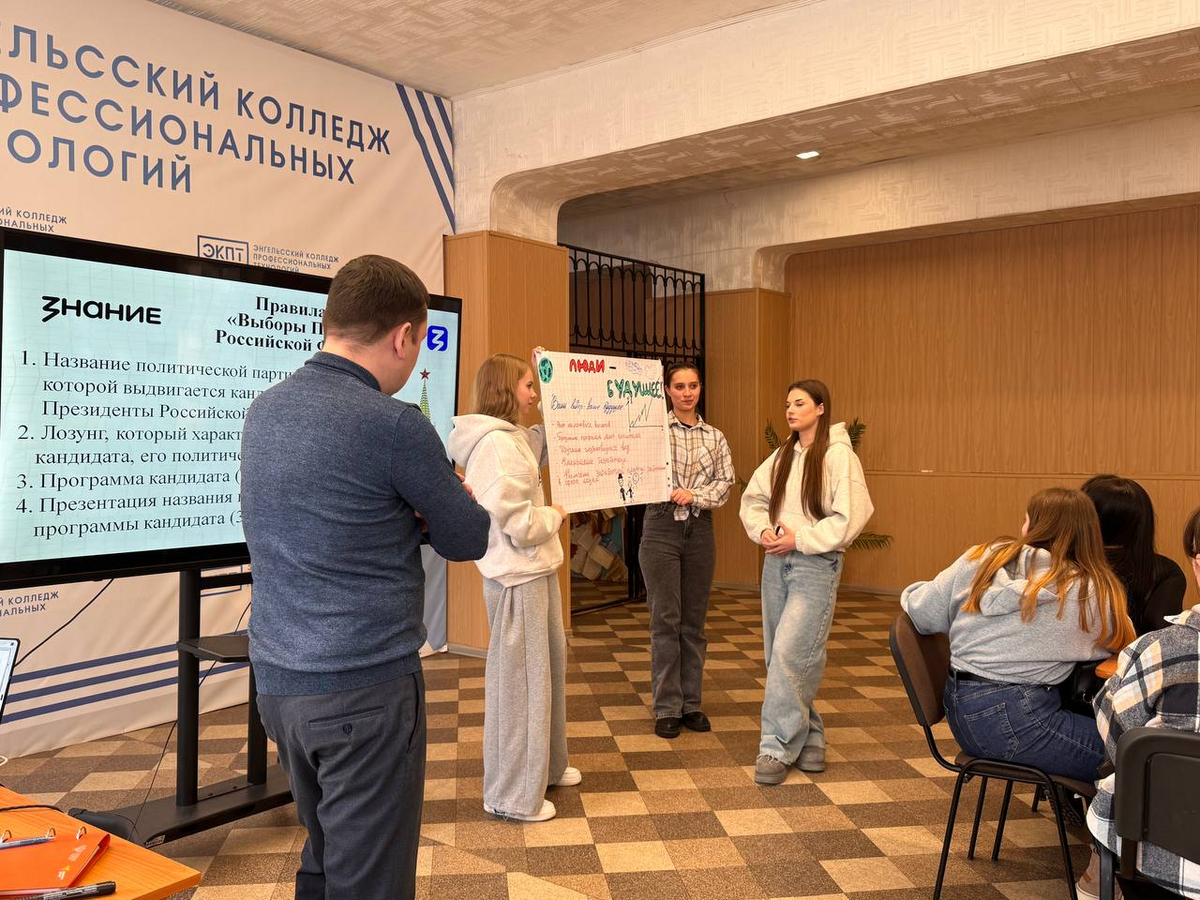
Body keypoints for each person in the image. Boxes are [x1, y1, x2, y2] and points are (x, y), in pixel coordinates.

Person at [240, 255, 490, 900]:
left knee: (325, 855)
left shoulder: (264, 410)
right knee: (370, 879)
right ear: (403, 336)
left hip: (280, 683)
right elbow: (468, 536)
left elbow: (328, 520)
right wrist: (428, 511)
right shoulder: (394, 424)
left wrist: (401, 514)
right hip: (364, 688)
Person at [901, 487, 1136, 783]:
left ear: (1031, 527)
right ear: (1091, 535)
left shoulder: (981, 560)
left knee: (1132, 751)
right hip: (1017, 720)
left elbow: (921, 613)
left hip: (962, 708)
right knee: (1138, 757)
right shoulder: (1088, 591)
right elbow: (1122, 642)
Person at [447, 349, 578, 823]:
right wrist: (555, 515)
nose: (534, 393)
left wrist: (559, 382)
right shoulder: (497, 447)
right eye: (528, 384)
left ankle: (546, 768)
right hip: (517, 577)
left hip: (536, 572)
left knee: (547, 674)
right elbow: (520, 525)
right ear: (506, 389)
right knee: (521, 686)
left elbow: (544, 439)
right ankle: (511, 796)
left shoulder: (513, 438)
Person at [739, 379, 873, 784]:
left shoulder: (838, 455)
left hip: (816, 566)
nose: (790, 411)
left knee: (790, 654)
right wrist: (764, 531)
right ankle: (811, 735)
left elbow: (852, 517)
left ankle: (776, 747)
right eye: (787, 404)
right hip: (776, 564)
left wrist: (801, 539)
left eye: (799, 403)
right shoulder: (784, 454)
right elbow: (753, 500)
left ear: (820, 408)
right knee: (782, 655)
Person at [1078, 506, 1200, 900]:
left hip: (1164, 850)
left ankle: (1096, 881)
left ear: (1198, 566)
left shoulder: (1160, 651)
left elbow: (1119, 743)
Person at [639, 361, 734, 739]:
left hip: (700, 530)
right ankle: (667, 706)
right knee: (665, 620)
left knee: (693, 622)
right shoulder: (651, 432)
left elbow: (725, 483)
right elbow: (636, 472)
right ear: (667, 390)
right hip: (660, 527)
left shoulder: (715, 437)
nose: (687, 393)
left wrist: (694, 494)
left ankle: (691, 703)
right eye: (679, 386)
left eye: (693, 385)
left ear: (700, 389)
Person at [1082, 474, 1186, 636]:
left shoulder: (1063, 566)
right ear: (1144, 522)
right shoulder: (1165, 571)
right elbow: (1163, 633)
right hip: (1139, 651)